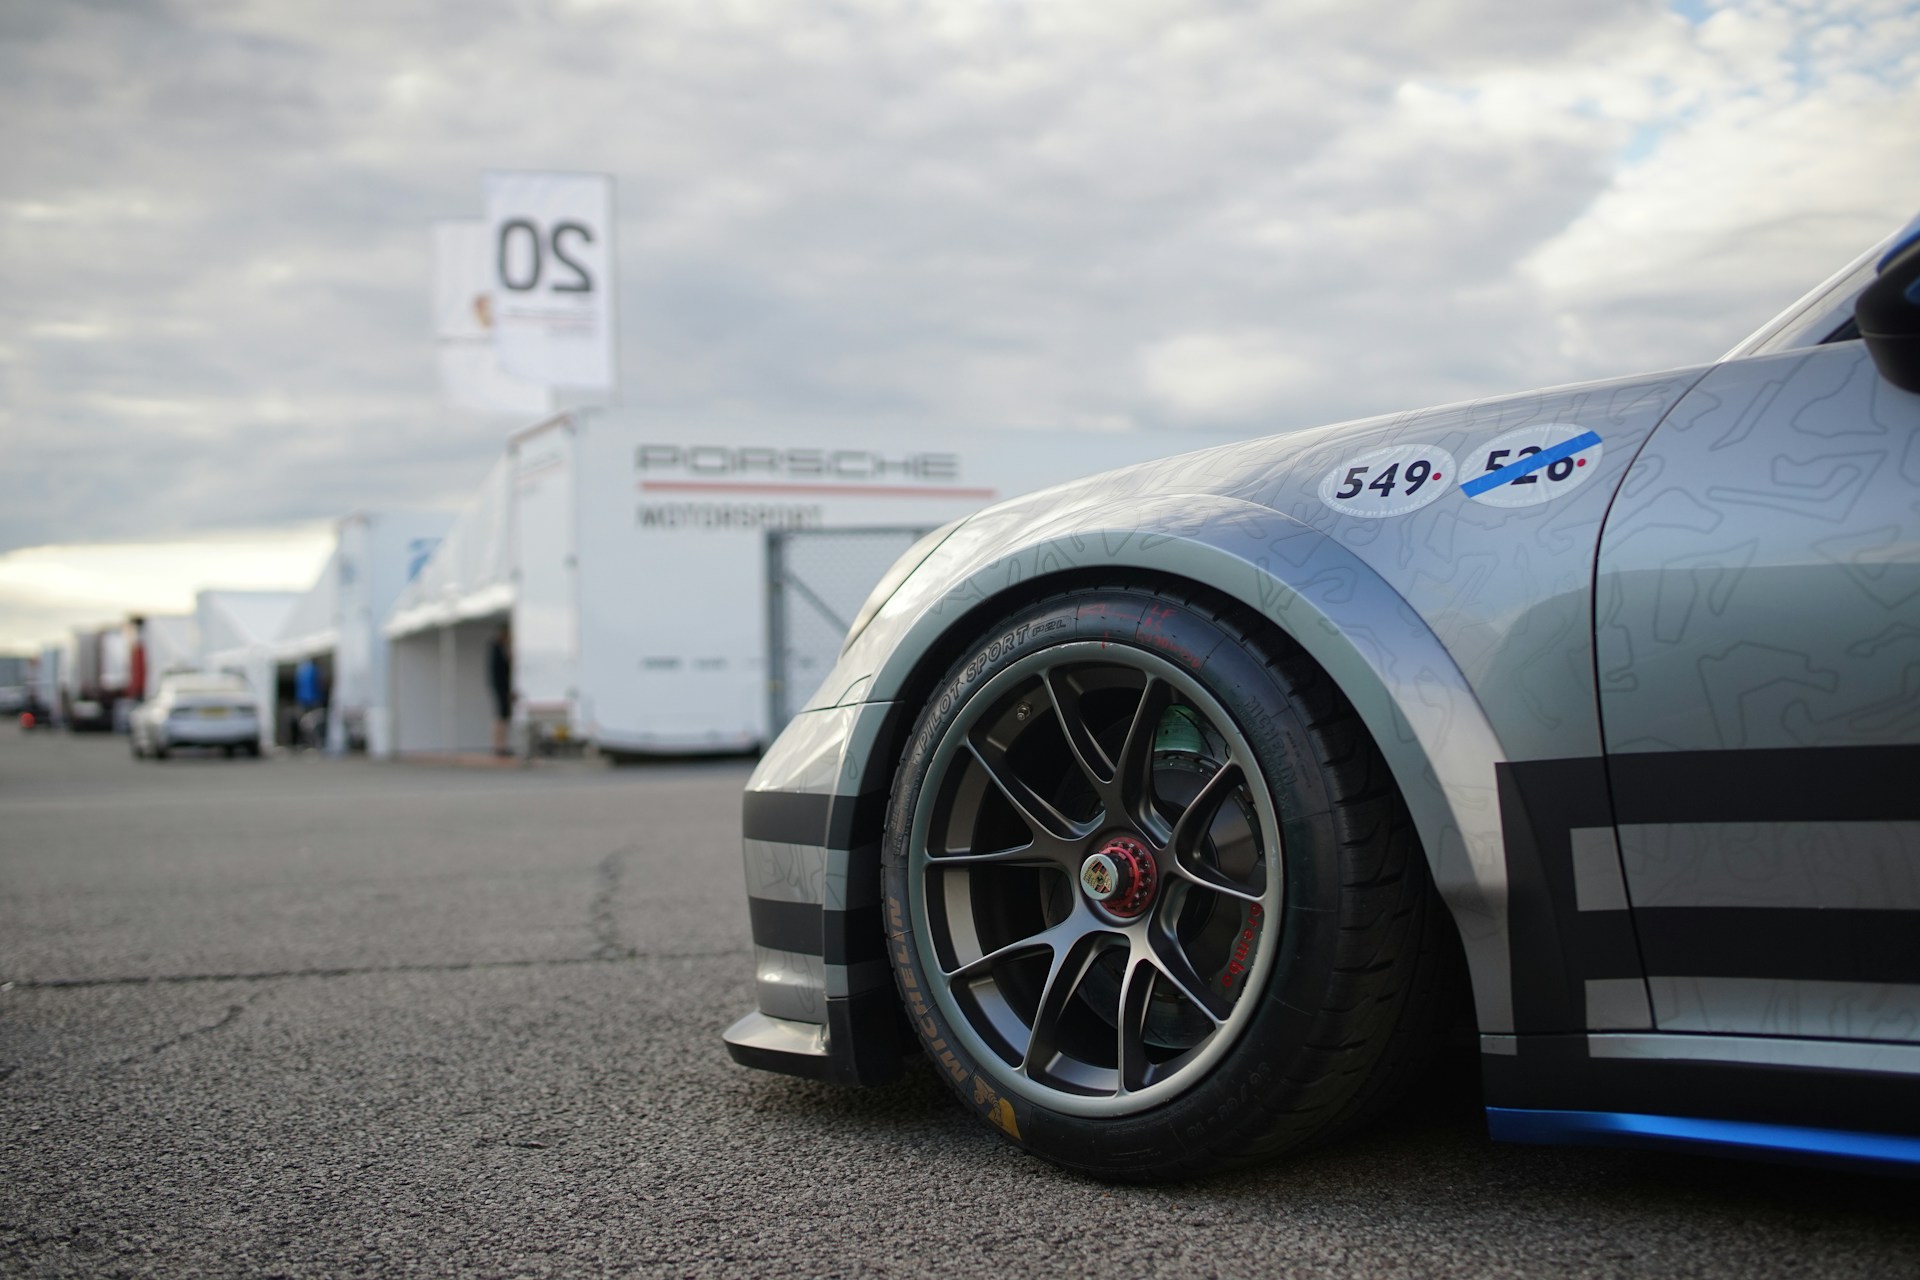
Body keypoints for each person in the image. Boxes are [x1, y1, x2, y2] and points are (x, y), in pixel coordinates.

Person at [487, 624, 514, 757]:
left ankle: (500, 745)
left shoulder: (496, 647)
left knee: (502, 716)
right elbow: (502, 670)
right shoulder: (497, 648)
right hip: (501, 686)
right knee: (502, 716)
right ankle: (499, 746)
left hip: (501, 686)